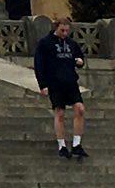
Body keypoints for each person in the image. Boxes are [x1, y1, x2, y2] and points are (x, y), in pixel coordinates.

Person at [34, 16, 88, 159]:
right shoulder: (45, 43)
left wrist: (80, 62)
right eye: (62, 30)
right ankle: (62, 145)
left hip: (70, 82)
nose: (65, 33)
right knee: (60, 113)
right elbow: (39, 64)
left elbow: (80, 58)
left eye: (67, 31)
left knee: (80, 109)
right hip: (55, 82)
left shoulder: (71, 43)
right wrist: (43, 84)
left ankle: (77, 144)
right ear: (56, 28)